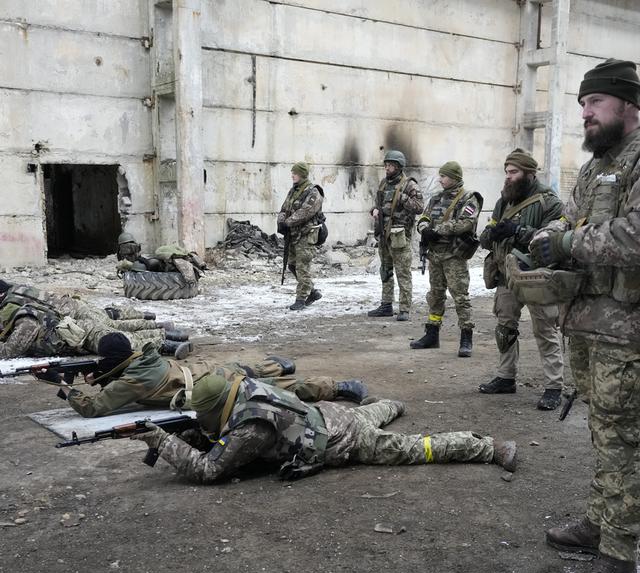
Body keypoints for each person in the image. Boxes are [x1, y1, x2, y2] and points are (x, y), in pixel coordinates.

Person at [530, 59, 640, 573]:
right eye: (582, 103)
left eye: (595, 102)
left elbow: (635, 236)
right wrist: (548, 236)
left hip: (630, 334)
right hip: (590, 328)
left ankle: (621, 566)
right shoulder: (595, 167)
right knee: (603, 433)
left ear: (627, 104)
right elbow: (566, 218)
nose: (584, 112)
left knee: (624, 442)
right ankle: (601, 523)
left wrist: (570, 245)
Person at [130, 371, 518, 483]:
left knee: (416, 449)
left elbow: (210, 469)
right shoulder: (244, 387)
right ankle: (390, 403)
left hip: (345, 441)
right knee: (375, 410)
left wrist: (162, 442)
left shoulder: (250, 428)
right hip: (330, 414)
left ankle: (487, 448)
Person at [66, 333, 368, 417]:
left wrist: (64, 387)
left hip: (210, 387)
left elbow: (93, 408)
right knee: (249, 370)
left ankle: (339, 387)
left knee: (273, 390)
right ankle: (280, 364)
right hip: (204, 371)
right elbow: (120, 377)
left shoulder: (131, 381)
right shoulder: (144, 361)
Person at [477, 150, 564, 410]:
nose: (508, 177)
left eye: (513, 172)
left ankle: (554, 386)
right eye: (506, 172)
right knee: (505, 328)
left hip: (537, 277)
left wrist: (518, 231)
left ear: (529, 173)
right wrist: (491, 233)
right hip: (506, 276)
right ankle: (506, 377)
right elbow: (486, 236)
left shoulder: (550, 203)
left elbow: (552, 239)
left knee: (545, 330)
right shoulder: (504, 201)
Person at [0, 281, 191, 360]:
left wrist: (4, 349)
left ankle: (167, 343)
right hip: (77, 328)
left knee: (123, 342)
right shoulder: (18, 299)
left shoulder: (20, 314)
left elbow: (13, 348)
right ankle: (165, 334)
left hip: (80, 334)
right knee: (119, 330)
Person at [411, 162, 482, 356]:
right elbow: (424, 218)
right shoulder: (435, 199)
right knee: (435, 295)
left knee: (460, 297)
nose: (440, 179)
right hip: (435, 255)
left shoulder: (468, 198)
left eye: (444, 176)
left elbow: (466, 223)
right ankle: (432, 334)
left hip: (454, 255)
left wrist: (437, 230)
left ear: (454, 178)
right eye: (440, 176)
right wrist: (424, 230)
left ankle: (466, 337)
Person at [368, 150, 424, 321]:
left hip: (400, 235)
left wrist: (402, 198)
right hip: (384, 234)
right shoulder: (384, 183)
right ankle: (386, 305)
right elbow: (379, 204)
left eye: (391, 165)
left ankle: (405, 308)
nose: (387, 167)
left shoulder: (409, 185)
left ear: (399, 166)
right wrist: (374, 211)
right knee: (385, 271)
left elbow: (419, 207)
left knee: (403, 272)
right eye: (386, 164)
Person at [277, 162, 325, 310]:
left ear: (303, 175)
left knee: (302, 267)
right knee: (292, 265)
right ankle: (312, 292)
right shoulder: (294, 191)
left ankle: (301, 299)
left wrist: (288, 222)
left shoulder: (313, 192)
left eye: (295, 173)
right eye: (292, 173)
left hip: (306, 235)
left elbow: (306, 212)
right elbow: (285, 207)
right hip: (294, 235)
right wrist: (281, 221)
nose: (292, 175)